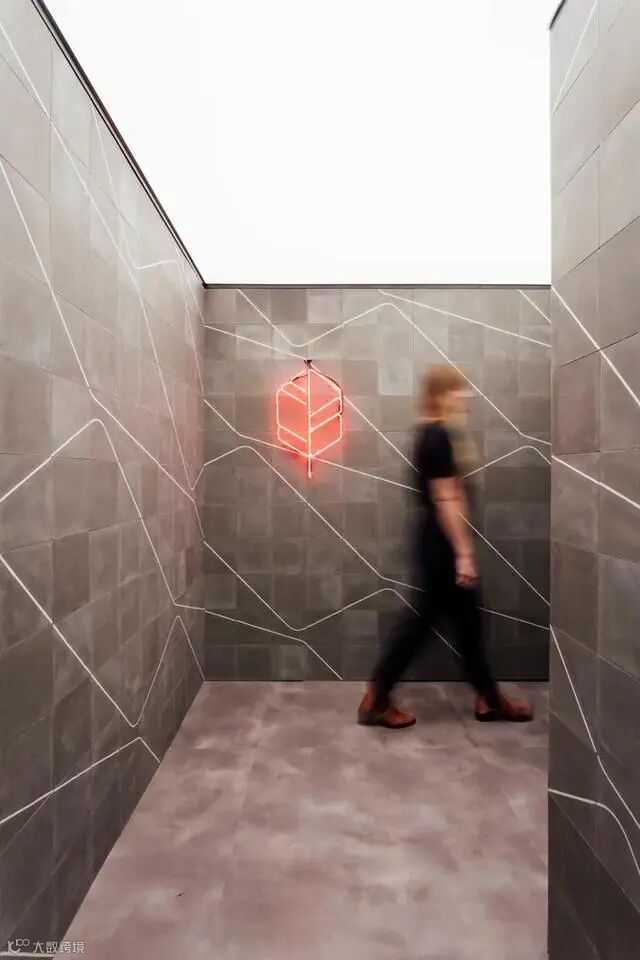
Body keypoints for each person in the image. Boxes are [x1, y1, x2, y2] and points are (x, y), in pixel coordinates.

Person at [358, 365, 533, 728]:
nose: (465, 396)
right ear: (441, 395)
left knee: (467, 623)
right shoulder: (437, 435)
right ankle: (376, 699)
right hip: (441, 545)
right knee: (421, 625)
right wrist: (463, 553)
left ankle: (488, 698)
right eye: (458, 389)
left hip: (437, 542)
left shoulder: (433, 433)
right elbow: (445, 496)